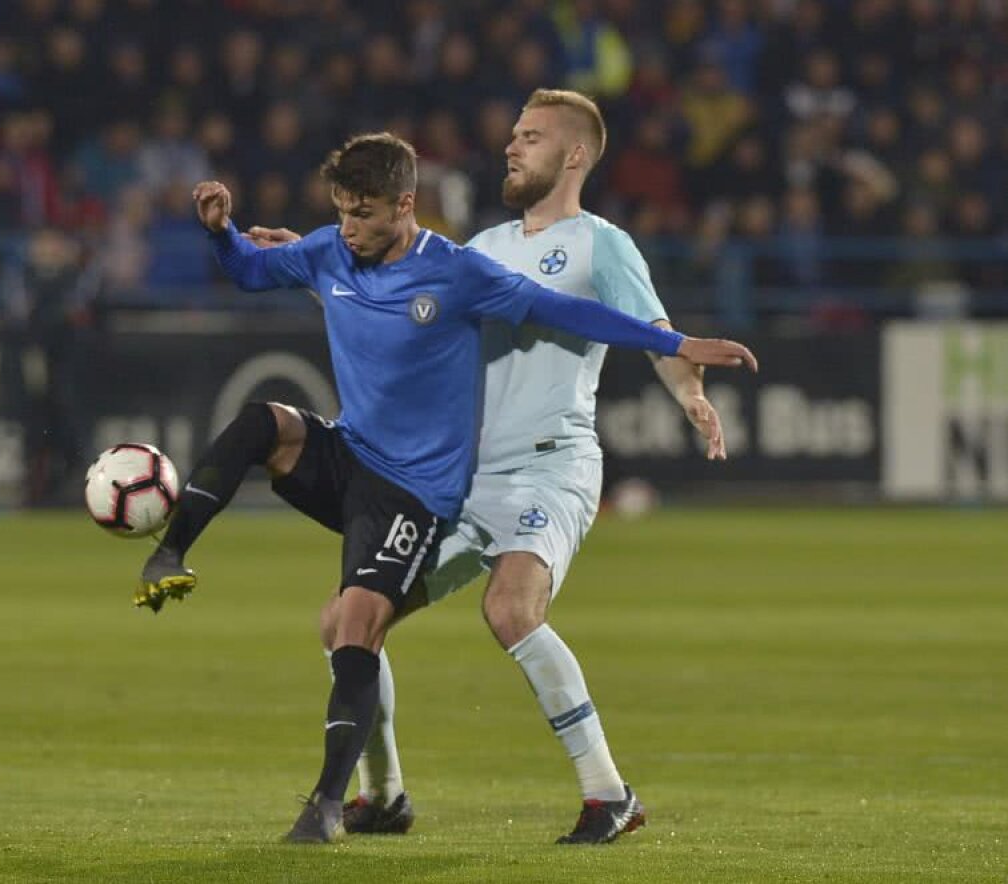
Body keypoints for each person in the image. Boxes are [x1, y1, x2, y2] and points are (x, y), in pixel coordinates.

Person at [138, 131, 757, 843]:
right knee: (275, 453)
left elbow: (564, 311)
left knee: (397, 616)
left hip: (424, 489)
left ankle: (337, 807)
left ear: (407, 206)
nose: (349, 228)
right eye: (341, 211)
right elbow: (249, 270)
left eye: (363, 213)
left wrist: (675, 344)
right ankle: (173, 552)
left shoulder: (461, 272)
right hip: (362, 458)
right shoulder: (332, 249)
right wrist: (220, 235)